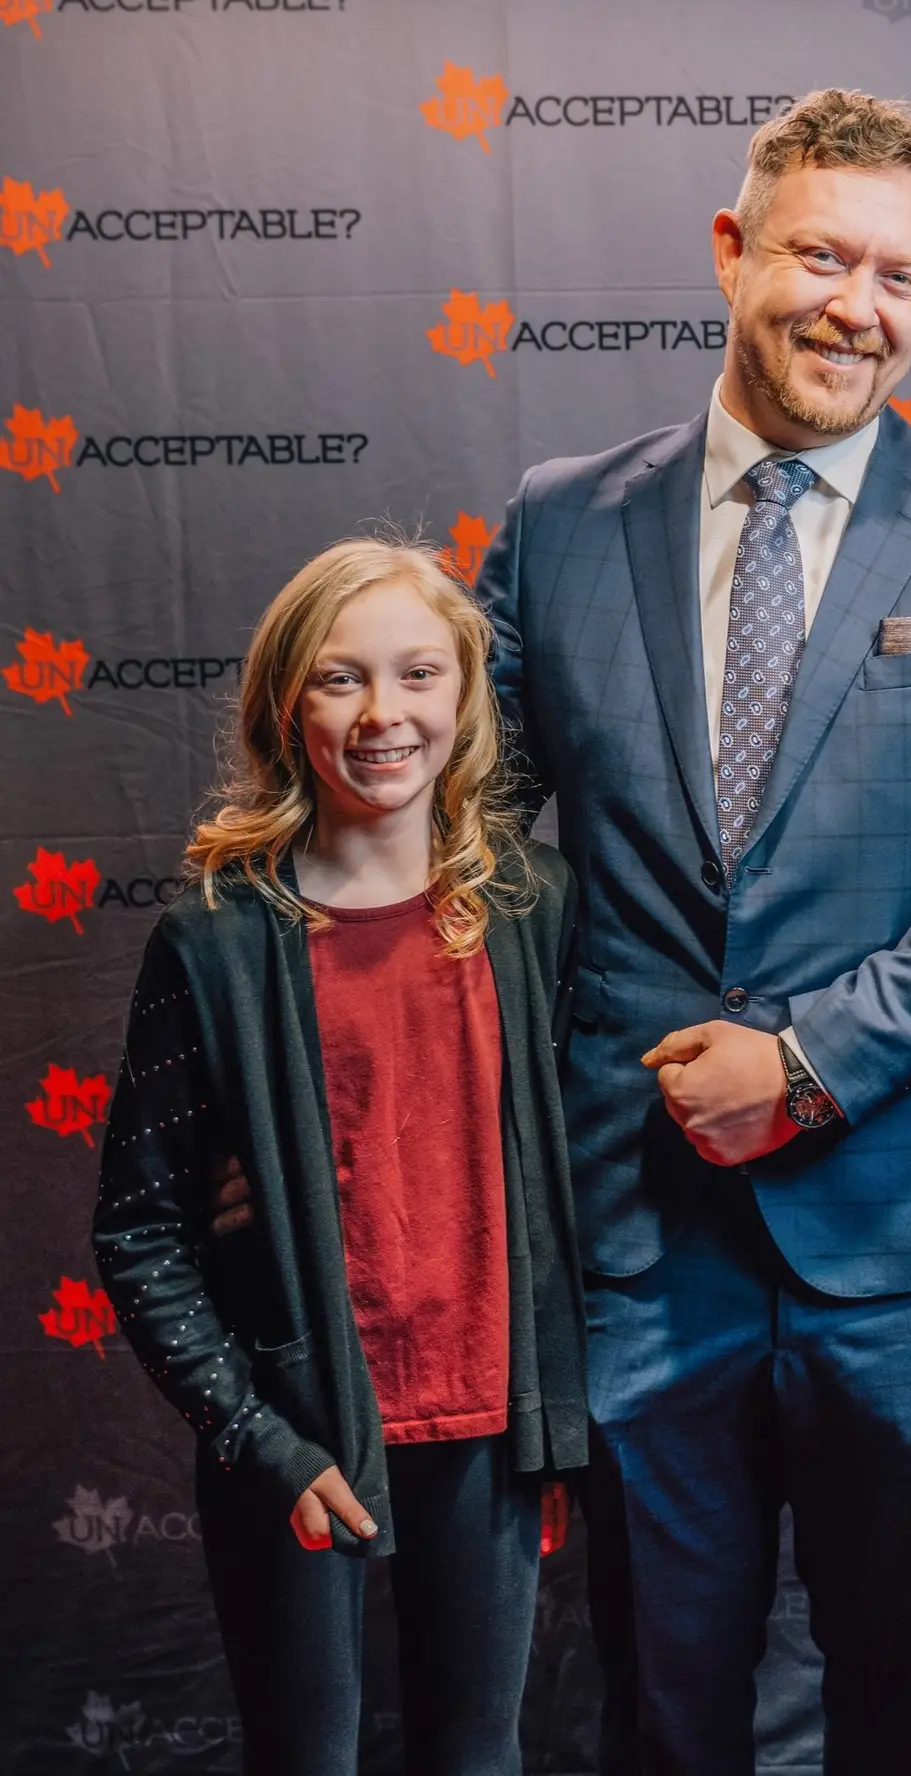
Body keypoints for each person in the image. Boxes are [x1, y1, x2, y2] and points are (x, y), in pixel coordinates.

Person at [475, 87, 911, 1775]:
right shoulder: (558, 521)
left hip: (907, 1243)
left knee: (904, 1706)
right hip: (643, 1240)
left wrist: (815, 1059)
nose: (858, 307)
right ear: (730, 250)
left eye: (900, 278)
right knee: (662, 1711)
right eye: (822, 257)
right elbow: (449, 832)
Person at [91, 540, 587, 1776]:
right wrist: (263, 1442)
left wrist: (560, 1413)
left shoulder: (532, 904)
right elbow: (140, 1230)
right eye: (339, 680)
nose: (384, 715)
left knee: (480, 1752)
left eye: (418, 674)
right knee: (306, 1754)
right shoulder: (214, 938)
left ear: (466, 696)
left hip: (490, 1425)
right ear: (282, 706)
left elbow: (581, 1156)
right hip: (303, 1428)